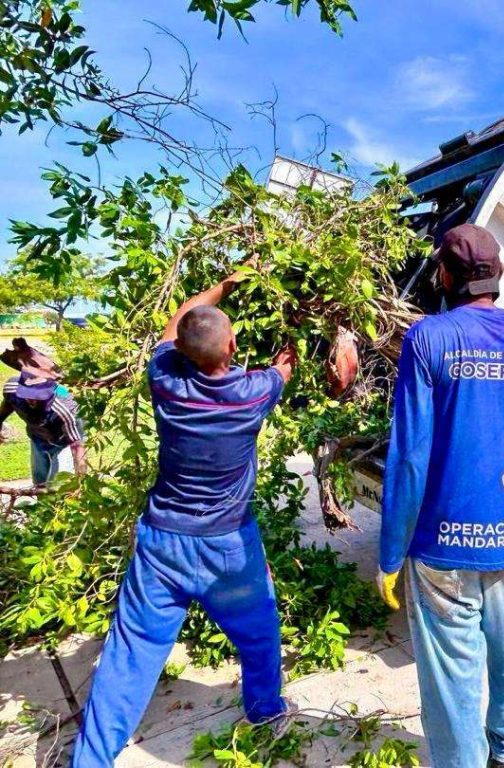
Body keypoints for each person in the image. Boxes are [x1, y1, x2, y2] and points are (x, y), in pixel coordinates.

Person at [71, 271, 297, 767]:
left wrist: (221, 286)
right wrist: (288, 355)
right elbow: (283, 369)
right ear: (233, 344)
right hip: (228, 546)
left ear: (181, 351)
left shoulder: (166, 382)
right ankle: (264, 710)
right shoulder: (255, 392)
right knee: (259, 632)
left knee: (130, 653)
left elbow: (177, 323)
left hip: (162, 544)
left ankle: (89, 760)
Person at [378, 223, 504, 768]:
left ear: (445, 276)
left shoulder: (427, 338)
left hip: (442, 548)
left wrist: (390, 555)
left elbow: (409, 456)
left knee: (452, 678)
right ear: (497, 274)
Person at [0, 369, 87, 485]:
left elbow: (77, 447)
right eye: (27, 394)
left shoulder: (65, 409)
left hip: (65, 441)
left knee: (58, 485)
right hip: (38, 438)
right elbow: (5, 409)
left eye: (37, 395)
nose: (31, 400)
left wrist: (80, 483)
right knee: (40, 483)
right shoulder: (12, 389)